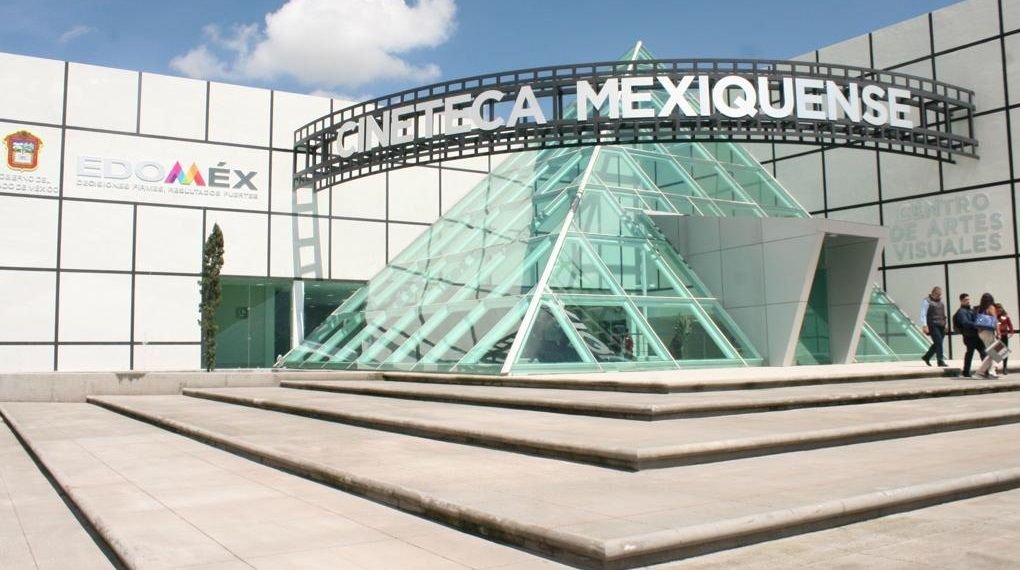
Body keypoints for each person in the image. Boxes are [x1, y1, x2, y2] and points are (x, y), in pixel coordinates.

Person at [953, 293, 987, 378]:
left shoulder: (971, 310)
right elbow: (965, 323)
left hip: (976, 335)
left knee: (983, 352)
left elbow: (976, 318)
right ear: (961, 301)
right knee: (970, 353)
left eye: (968, 299)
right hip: (969, 336)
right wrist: (976, 324)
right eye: (966, 300)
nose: (968, 301)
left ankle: (986, 371)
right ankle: (966, 371)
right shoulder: (961, 312)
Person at [919, 286, 948, 367]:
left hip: (941, 325)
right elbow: (923, 314)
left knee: (938, 343)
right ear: (934, 293)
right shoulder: (927, 301)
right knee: (938, 342)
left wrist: (945, 325)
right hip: (933, 325)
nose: (939, 296)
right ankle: (940, 360)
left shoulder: (941, 303)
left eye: (940, 294)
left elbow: (943, 315)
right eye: (938, 294)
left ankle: (927, 357)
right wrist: (924, 325)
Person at [973, 292, 999, 379]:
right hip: (988, 331)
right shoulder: (991, 307)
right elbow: (995, 320)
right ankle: (980, 372)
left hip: (981, 332)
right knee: (993, 353)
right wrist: (998, 332)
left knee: (996, 352)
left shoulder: (980, 308)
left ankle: (992, 371)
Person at [996, 303, 1014, 375]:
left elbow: (1010, 324)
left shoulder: (1005, 316)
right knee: (996, 352)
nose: (999, 311)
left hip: (1004, 335)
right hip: (997, 335)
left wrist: (1011, 332)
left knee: (1004, 352)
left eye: (1000, 309)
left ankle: (1005, 367)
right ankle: (995, 368)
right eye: (998, 310)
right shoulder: (994, 316)